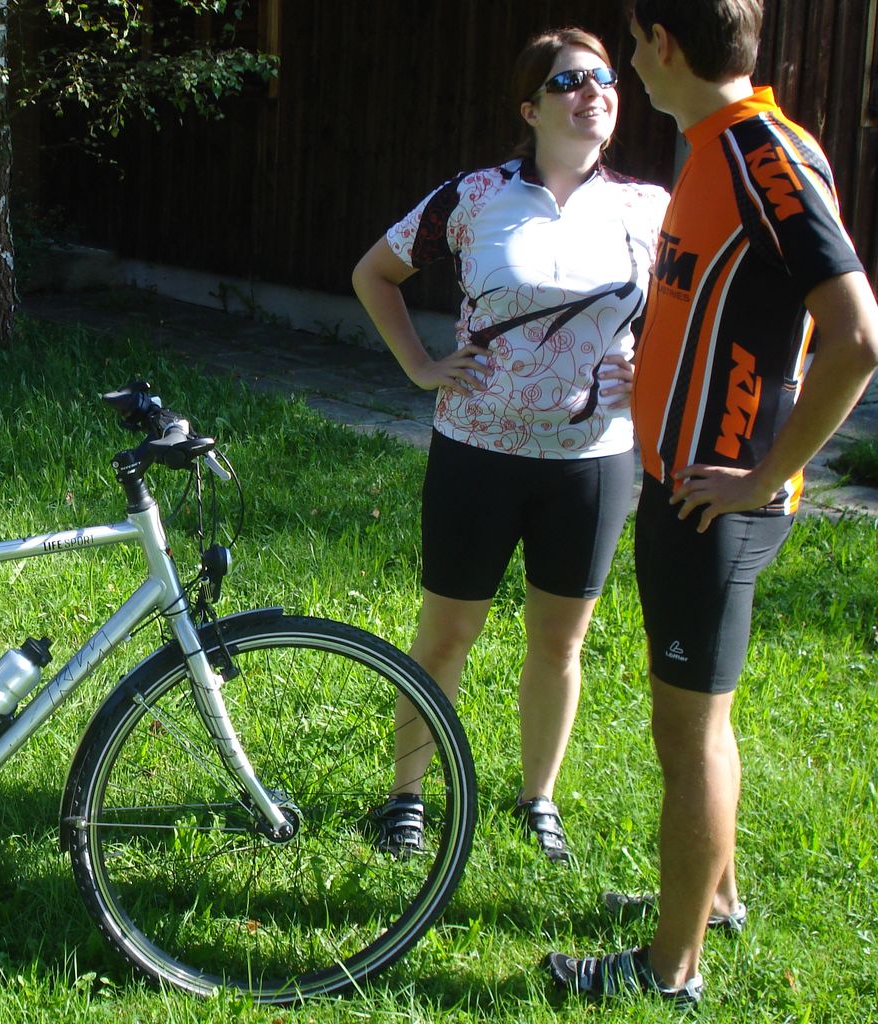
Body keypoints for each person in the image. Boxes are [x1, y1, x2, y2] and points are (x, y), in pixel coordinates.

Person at [545, 0, 878, 1008]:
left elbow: (857, 335)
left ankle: (669, 969)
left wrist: (763, 473)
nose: (629, 64)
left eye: (634, 44)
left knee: (688, 737)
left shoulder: (761, 156)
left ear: (665, 46)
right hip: (685, 489)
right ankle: (714, 900)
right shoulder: (717, 146)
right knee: (697, 722)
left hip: (712, 505)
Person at [352, 28, 668, 864]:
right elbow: (373, 273)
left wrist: (655, 368)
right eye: (569, 81)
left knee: (560, 643)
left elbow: (690, 313)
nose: (593, 92)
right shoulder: (476, 195)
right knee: (447, 633)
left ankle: (539, 800)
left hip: (592, 461)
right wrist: (421, 366)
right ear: (530, 109)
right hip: (478, 452)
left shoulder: (649, 209)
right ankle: (406, 798)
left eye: (604, 77)